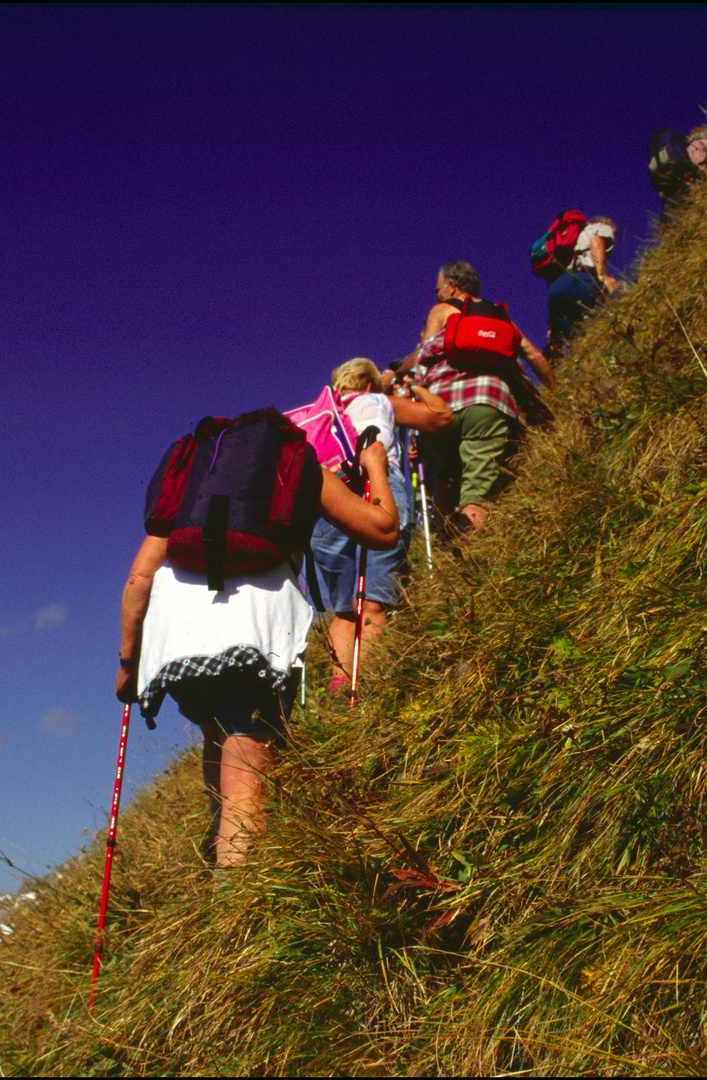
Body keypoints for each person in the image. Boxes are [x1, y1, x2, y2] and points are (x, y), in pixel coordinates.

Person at [115, 436, 398, 868]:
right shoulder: (299, 468)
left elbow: (139, 579)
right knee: (247, 776)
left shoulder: (194, 481)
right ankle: (236, 902)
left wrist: (128, 664)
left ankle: (221, 852)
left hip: (176, 640)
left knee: (215, 733)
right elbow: (382, 530)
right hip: (254, 632)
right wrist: (375, 465)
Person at [310, 358, 451, 691]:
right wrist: (412, 385)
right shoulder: (378, 400)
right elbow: (440, 417)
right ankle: (369, 692)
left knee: (345, 611)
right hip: (375, 488)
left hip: (326, 500)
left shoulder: (324, 412)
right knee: (372, 602)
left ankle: (341, 695)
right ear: (370, 384)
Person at [395, 261, 555, 535]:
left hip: (439, 411)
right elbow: (535, 356)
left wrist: (408, 394)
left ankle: (443, 546)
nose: (435, 295)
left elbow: (422, 358)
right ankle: (472, 555)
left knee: (448, 473)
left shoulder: (441, 311)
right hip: (487, 404)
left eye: (438, 288)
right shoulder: (499, 318)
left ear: (452, 286)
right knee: (476, 493)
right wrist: (555, 393)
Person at [546, 215, 617, 362]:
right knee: (601, 327)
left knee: (577, 342)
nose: (613, 235)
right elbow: (597, 241)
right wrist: (602, 275)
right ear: (604, 222)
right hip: (582, 280)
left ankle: (581, 369)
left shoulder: (568, 238)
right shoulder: (599, 227)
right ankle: (607, 364)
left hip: (556, 288)